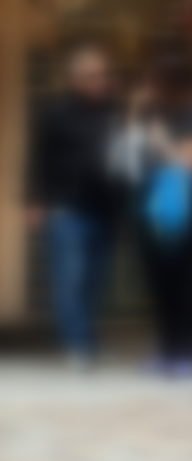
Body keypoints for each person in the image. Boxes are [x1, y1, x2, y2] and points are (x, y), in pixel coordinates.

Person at [26, 42, 120, 369]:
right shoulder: (55, 113)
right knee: (70, 279)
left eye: (103, 75)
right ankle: (77, 344)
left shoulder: (113, 112)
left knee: (95, 280)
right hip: (67, 208)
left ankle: (86, 339)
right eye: (92, 75)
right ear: (75, 79)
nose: (100, 81)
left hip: (105, 209)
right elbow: (39, 159)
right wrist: (36, 202)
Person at [120, 51, 192, 376]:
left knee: (186, 287)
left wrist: (161, 143)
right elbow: (128, 165)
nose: (150, 89)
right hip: (153, 216)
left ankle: (189, 355)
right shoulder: (149, 118)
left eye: (155, 83)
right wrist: (134, 115)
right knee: (160, 286)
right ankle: (167, 351)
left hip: (188, 218)